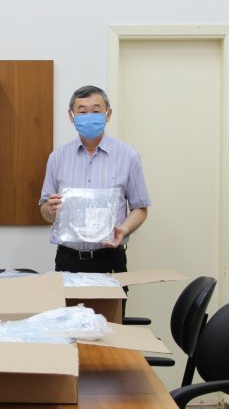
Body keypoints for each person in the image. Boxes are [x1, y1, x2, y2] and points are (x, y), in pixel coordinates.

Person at [39, 85, 151, 275]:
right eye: (82, 111)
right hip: (68, 259)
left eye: (96, 111)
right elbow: (45, 210)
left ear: (108, 115)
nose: (89, 117)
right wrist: (48, 210)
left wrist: (123, 230)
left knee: (112, 297)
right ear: (71, 116)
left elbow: (140, 208)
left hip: (110, 258)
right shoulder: (58, 157)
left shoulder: (128, 156)